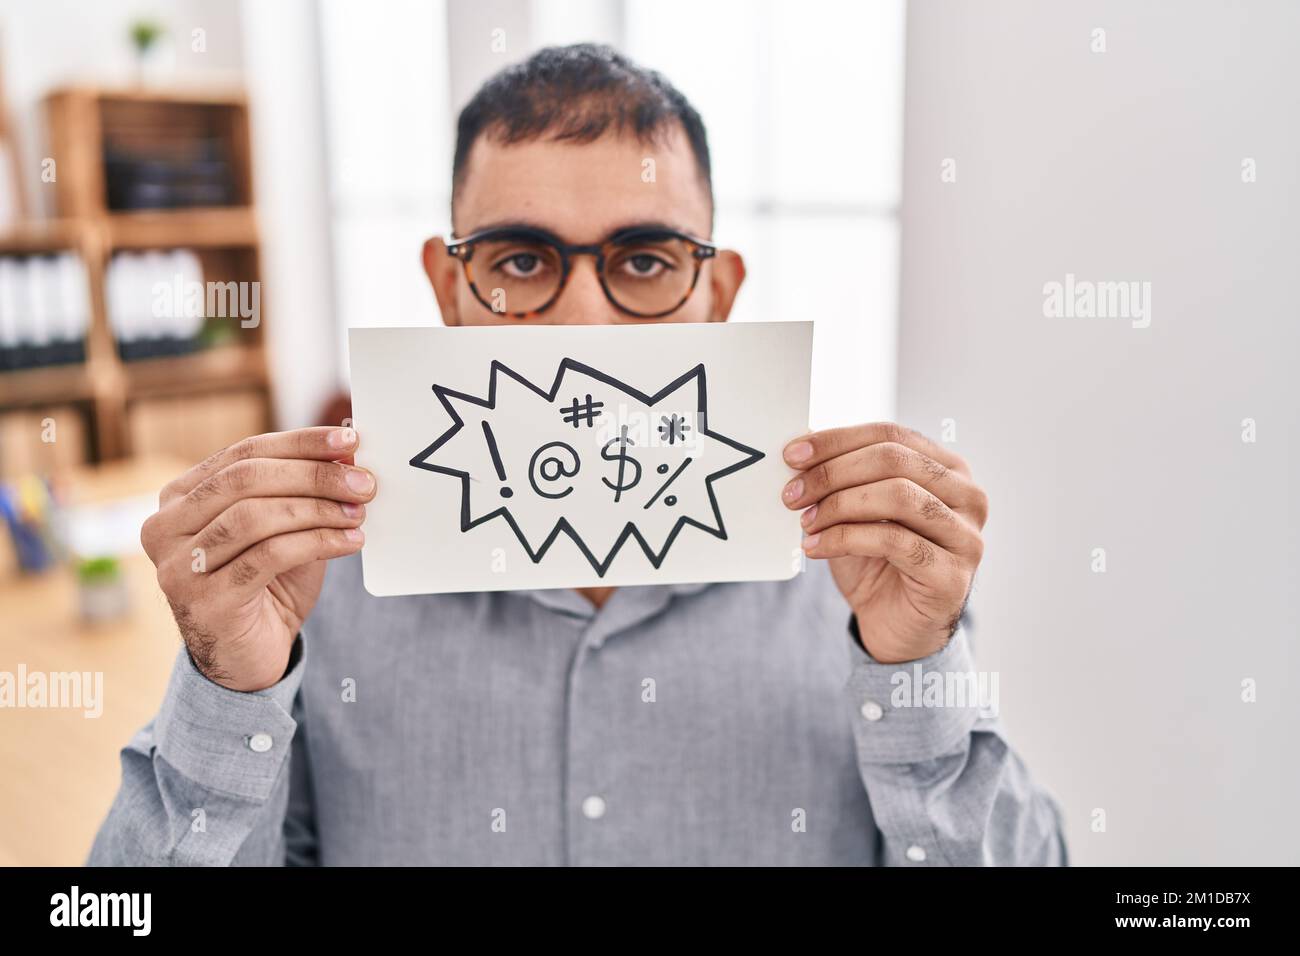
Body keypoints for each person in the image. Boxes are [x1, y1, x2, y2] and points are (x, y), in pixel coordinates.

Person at [89, 44, 1066, 866]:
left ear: (716, 294)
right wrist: (228, 687)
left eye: (644, 260)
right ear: (448, 287)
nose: (585, 319)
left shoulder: (860, 580)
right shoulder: (317, 586)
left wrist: (914, 672)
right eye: (520, 261)